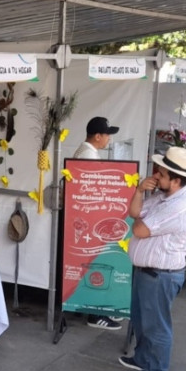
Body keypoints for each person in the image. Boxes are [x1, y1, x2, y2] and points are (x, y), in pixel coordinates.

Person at [116, 146, 186, 371]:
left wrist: (138, 219)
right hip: (149, 272)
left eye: (161, 174)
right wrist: (140, 189)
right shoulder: (164, 196)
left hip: (161, 275)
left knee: (157, 326)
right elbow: (134, 212)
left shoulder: (178, 206)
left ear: (176, 180)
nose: (156, 177)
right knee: (142, 321)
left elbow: (139, 228)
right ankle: (143, 359)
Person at [73, 116, 124, 329]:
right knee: (95, 266)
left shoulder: (87, 152)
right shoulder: (88, 155)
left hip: (86, 219)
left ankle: (97, 308)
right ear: (97, 136)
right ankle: (94, 313)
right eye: (108, 135)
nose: (109, 140)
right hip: (87, 221)